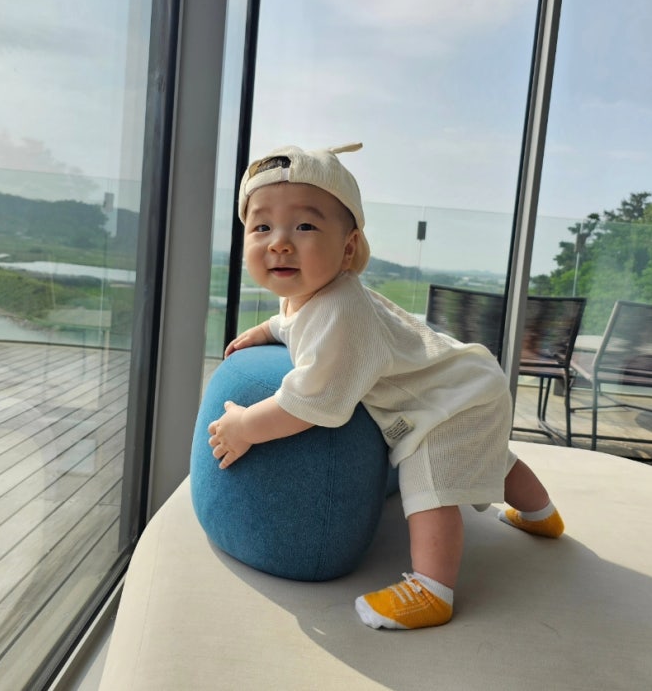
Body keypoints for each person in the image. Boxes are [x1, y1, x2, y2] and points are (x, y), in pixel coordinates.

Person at [208, 142, 564, 630]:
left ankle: (433, 590)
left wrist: (244, 426)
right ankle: (543, 516)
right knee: (493, 460)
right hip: (467, 382)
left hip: (448, 403)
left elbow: (309, 403)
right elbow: (295, 322)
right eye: (262, 227)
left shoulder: (340, 309)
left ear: (348, 246)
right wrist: (268, 330)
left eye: (305, 226)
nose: (280, 243)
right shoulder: (311, 295)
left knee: (430, 481)